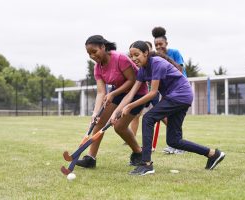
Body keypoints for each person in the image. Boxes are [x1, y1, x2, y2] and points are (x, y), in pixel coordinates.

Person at [111, 41, 225, 175]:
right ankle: (213, 154)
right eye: (131, 56)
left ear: (146, 53)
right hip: (179, 97)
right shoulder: (142, 70)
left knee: (148, 118)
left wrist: (130, 106)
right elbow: (131, 93)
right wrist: (116, 112)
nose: (134, 58)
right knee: (174, 141)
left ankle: (146, 164)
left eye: (137, 54)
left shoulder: (157, 63)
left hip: (180, 95)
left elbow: (153, 93)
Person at [76, 35, 148, 168]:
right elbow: (101, 92)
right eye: (89, 53)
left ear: (103, 47)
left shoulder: (120, 58)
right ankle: (90, 158)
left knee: (119, 126)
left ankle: (138, 152)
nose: (92, 56)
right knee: (99, 120)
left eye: (94, 51)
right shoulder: (97, 68)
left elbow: (132, 80)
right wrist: (95, 113)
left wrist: (113, 93)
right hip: (119, 92)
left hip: (137, 92)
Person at [152, 26, 186, 154]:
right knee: (170, 118)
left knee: (175, 118)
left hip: (179, 88)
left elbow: (179, 70)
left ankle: (180, 146)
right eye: (156, 45)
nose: (159, 47)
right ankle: (173, 145)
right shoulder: (157, 57)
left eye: (161, 44)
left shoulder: (175, 52)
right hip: (167, 90)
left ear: (166, 43)